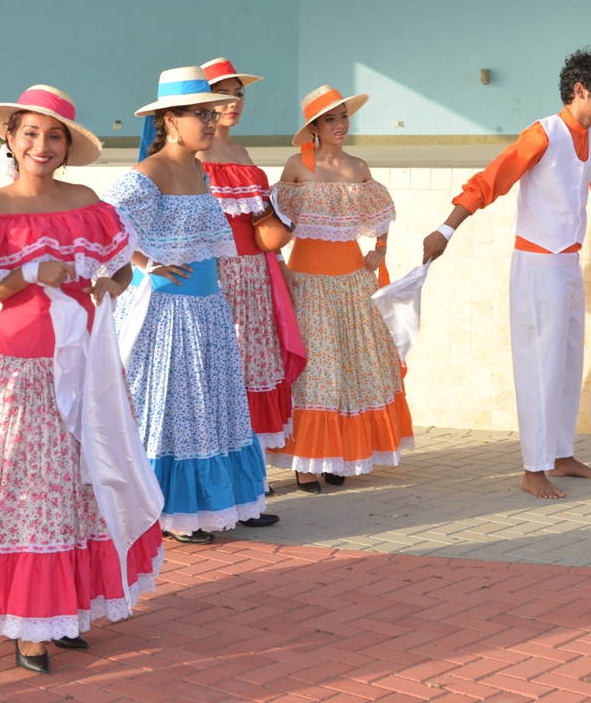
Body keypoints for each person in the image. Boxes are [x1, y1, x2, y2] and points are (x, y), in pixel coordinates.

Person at [0, 85, 164, 674]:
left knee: (84, 484)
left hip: (86, 365)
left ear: (67, 145)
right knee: (30, 492)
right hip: (21, 372)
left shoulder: (87, 201)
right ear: (9, 137)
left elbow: (120, 274)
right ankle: (30, 626)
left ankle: (67, 610)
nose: (41, 144)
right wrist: (27, 275)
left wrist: (103, 287)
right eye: (30, 133)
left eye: (54, 135)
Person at [421, 47, 591, 500]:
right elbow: (491, 180)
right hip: (537, 266)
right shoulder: (543, 134)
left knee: (565, 364)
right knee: (540, 366)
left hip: (567, 265)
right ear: (580, 91)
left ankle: (559, 455)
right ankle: (532, 469)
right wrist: (446, 228)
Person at [106, 66, 274, 545]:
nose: (211, 119)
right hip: (167, 313)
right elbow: (105, 223)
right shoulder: (148, 172)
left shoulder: (198, 168)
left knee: (215, 404)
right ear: (170, 120)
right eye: (199, 113)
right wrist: (146, 262)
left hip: (206, 308)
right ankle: (174, 510)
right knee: (175, 408)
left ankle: (226, 501)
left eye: (211, 111)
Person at [269, 86, 413, 492]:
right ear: (313, 127)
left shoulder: (358, 167)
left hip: (352, 281)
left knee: (353, 367)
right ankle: (307, 462)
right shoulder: (297, 166)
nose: (340, 126)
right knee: (314, 372)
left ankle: (342, 457)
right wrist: (274, 265)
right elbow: (277, 224)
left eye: (343, 117)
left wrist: (380, 249)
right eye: (330, 119)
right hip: (308, 284)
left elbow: (381, 215)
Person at [196, 57, 305, 493]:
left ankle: (249, 473)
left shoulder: (241, 152)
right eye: (224, 93)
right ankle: (219, 475)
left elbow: (263, 228)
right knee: (221, 370)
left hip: (256, 275)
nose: (234, 102)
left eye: (239, 93)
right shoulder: (195, 155)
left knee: (255, 366)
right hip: (217, 273)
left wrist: (283, 239)